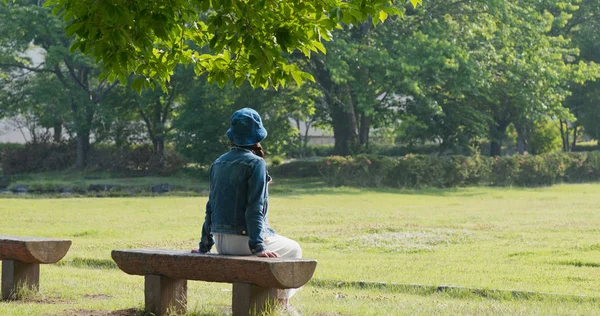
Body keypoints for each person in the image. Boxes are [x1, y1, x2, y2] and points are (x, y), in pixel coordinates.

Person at [192, 108, 302, 307]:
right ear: (257, 136)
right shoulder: (256, 163)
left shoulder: (217, 163)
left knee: (282, 247)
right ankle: (280, 305)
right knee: (294, 250)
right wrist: (258, 247)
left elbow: (211, 206)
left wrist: (204, 246)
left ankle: (276, 305)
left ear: (232, 136)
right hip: (243, 243)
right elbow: (254, 208)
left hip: (220, 242)